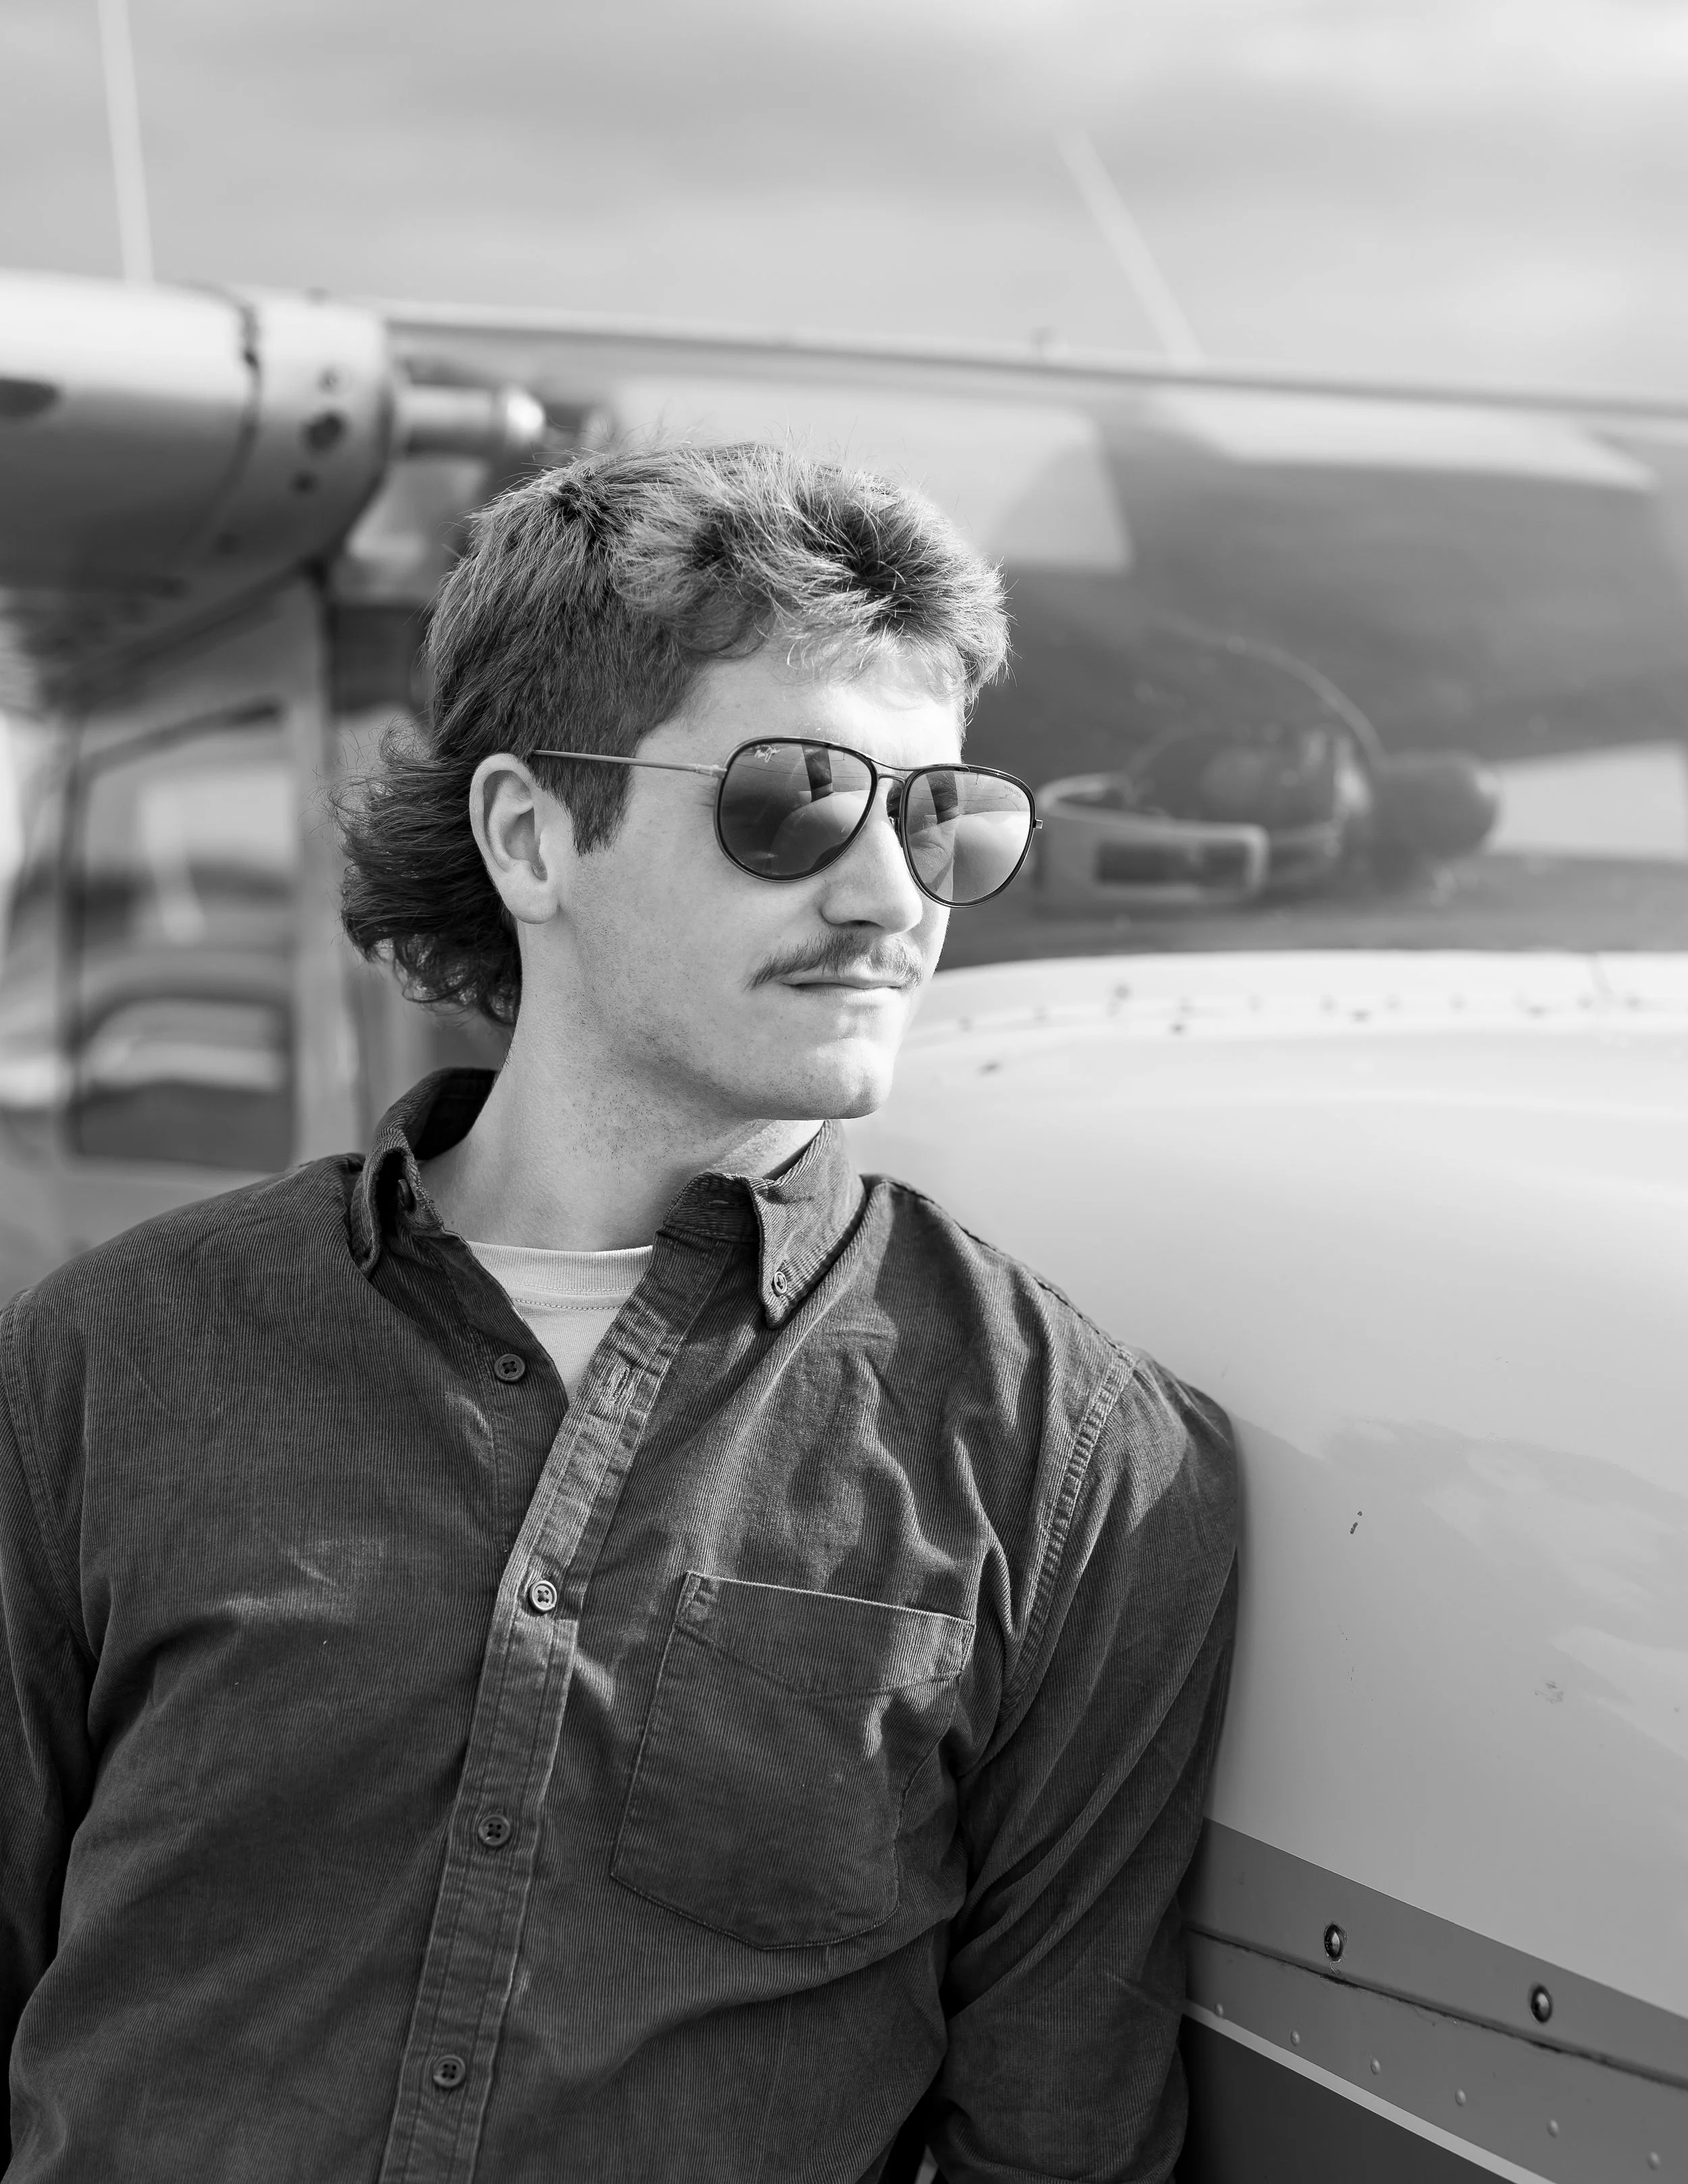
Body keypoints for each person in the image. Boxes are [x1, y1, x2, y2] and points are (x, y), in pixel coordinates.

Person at [0, 443, 1237, 2183]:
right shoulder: (109, 1361)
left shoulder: (1083, 1464)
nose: (892, 896)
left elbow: (1061, 2146)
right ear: (530, 838)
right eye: (797, 799)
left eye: (945, 817)